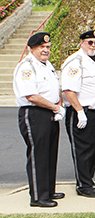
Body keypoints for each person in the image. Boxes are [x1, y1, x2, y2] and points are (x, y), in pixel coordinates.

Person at [14, 32, 64, 207]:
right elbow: (31, 96)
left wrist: (58, 103)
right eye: (41, 47)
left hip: (49, 112)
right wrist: (55, 107)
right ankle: (38, 197)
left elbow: (54, 87)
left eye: (48, 47)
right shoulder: (27, 67)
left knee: (50, 153)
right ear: (31, 48)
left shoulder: (46, 65)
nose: (45, 50)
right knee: (38, 155)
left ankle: (48, 190)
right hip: (34, 113)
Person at [61, 30, 95, 198]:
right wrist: (80, 111)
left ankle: (88, 179)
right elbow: (68, 89)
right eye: (90, 42)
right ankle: (83, 185)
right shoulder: (75, 61)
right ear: (81, 42)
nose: (93, 46)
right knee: (83, 149)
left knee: (94, 148)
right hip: (81, 111)